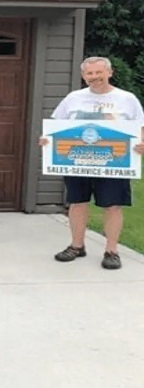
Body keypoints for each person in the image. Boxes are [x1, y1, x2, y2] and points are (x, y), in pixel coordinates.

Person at [39, 56, 144, 269]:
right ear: (83, 76)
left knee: (113, 206)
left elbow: (140, 128)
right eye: (90, 73)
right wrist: (46, 139)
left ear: (109, 73)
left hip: (115, 161)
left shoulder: (127, 99)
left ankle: (112, 251)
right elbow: (56, 126)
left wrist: (142, 144)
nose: (94, 77)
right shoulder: (73, 98)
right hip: (77, 160)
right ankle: (77, 246)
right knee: (77, 203)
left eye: (99, 72)